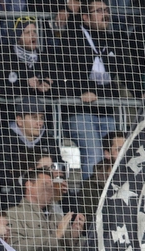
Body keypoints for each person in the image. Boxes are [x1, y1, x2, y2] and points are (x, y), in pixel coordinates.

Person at [58, 0, 124, 178]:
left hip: (106, 111)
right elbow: (65, 73)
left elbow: (121, 76)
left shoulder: (113, 40)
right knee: (95, 155)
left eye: (106, 9)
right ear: (86, 17)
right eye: (99, 11)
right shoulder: (73, 38)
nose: (106, 14)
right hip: (79, 112)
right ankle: (92, 199)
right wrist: (80, 92)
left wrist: (140, 91)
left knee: (114, 157)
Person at [0, 98, 57, 207]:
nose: (39, 123)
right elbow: (0, 175)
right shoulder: (5, 140)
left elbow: (59, 165)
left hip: (47, 191)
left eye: (41, 118)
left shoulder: (49, 140)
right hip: (16, 195)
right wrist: (31, 177)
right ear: (19, 120)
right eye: (34, 118)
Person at [0, 15, 57, 98]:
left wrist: (47, 85)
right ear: (18, 37)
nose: (33, 35)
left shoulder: (46, 58)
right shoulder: (3, 58)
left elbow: (65, 87)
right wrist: (25, 84)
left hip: (42, 110)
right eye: (27, 32)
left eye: (34, 31)